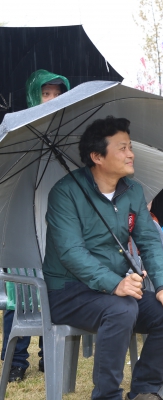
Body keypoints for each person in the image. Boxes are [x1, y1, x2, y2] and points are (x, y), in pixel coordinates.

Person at [43, 116, 163, 400]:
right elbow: (71, 252)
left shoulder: (132, 191)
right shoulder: (65, 193)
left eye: (130, 146)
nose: (130, 154)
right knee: (122, 309)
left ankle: (145, 390)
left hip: (116, 291)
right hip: (69, 292)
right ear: (97, 156)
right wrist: (114, 283)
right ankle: (107, 395)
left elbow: (149, 242)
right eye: (122, 148)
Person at [1, 69, 71, 383]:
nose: (53, 99)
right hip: (21, 215)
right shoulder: (15, 129)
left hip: (55, 220)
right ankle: (15, 361)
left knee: (54, 287)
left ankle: (50, 356)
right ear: (34, 96)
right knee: (22, 290)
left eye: (58, 93)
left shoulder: (70, 134)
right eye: (46, 94)